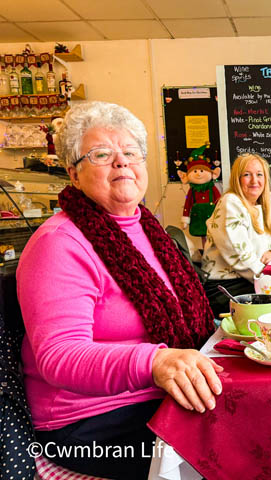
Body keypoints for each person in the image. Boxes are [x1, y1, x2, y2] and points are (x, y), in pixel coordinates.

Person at [17, 101, 223, 479]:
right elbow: (60, 356)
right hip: (87, 424)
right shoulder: (58, 242)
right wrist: (155, 362)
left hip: (153, 401)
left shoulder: (148, 229)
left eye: (130, 152)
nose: (121, 162)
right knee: (233, 446)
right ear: (73, 175)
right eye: (101, 154)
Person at [201, 153, 271, 316]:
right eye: (247, 175)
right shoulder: (230, 203)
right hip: (226, 287)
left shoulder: (270, 206)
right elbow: (241, 257)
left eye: (259, 174)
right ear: (237, 178)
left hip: (254, 280)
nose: (254, 181)